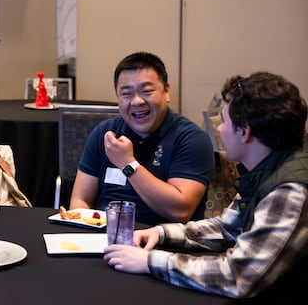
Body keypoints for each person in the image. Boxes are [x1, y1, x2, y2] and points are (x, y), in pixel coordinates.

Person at [103, 72, 308, 300]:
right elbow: (228, 228)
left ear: (245, 131)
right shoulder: (271, 165)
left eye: (224, 121)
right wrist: (160, 233)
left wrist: (151, 261)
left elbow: (236, 276)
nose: (218, 129)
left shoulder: (289, 190)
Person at [70, 52, 214, 225]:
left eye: (147, 91)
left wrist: (128, 164)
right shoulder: (106, 133)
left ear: (166, 92)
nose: (137, 101)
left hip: (166, 243)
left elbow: (180, 210)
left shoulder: (191, 139)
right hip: (107, 237)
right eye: (126, 94)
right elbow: (80, 200)